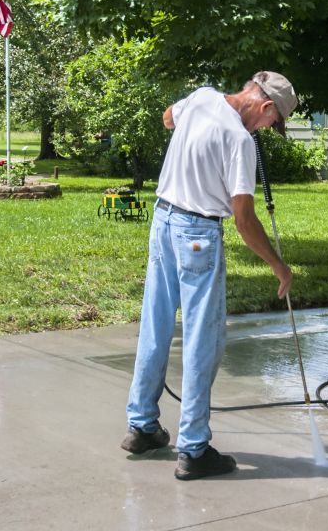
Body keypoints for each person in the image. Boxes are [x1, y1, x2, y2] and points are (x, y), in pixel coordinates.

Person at [121, 71, 297, 480]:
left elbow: (168, 117)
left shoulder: (202, 98)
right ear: (265, 106)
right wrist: (279, 266)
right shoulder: (239, 140)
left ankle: (142, 426)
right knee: (203, 340)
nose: (266, 129)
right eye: (272, 121)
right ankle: (194, 448)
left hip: (163, 222)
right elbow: (244, 220)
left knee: (156, 326)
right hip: (198, 234)